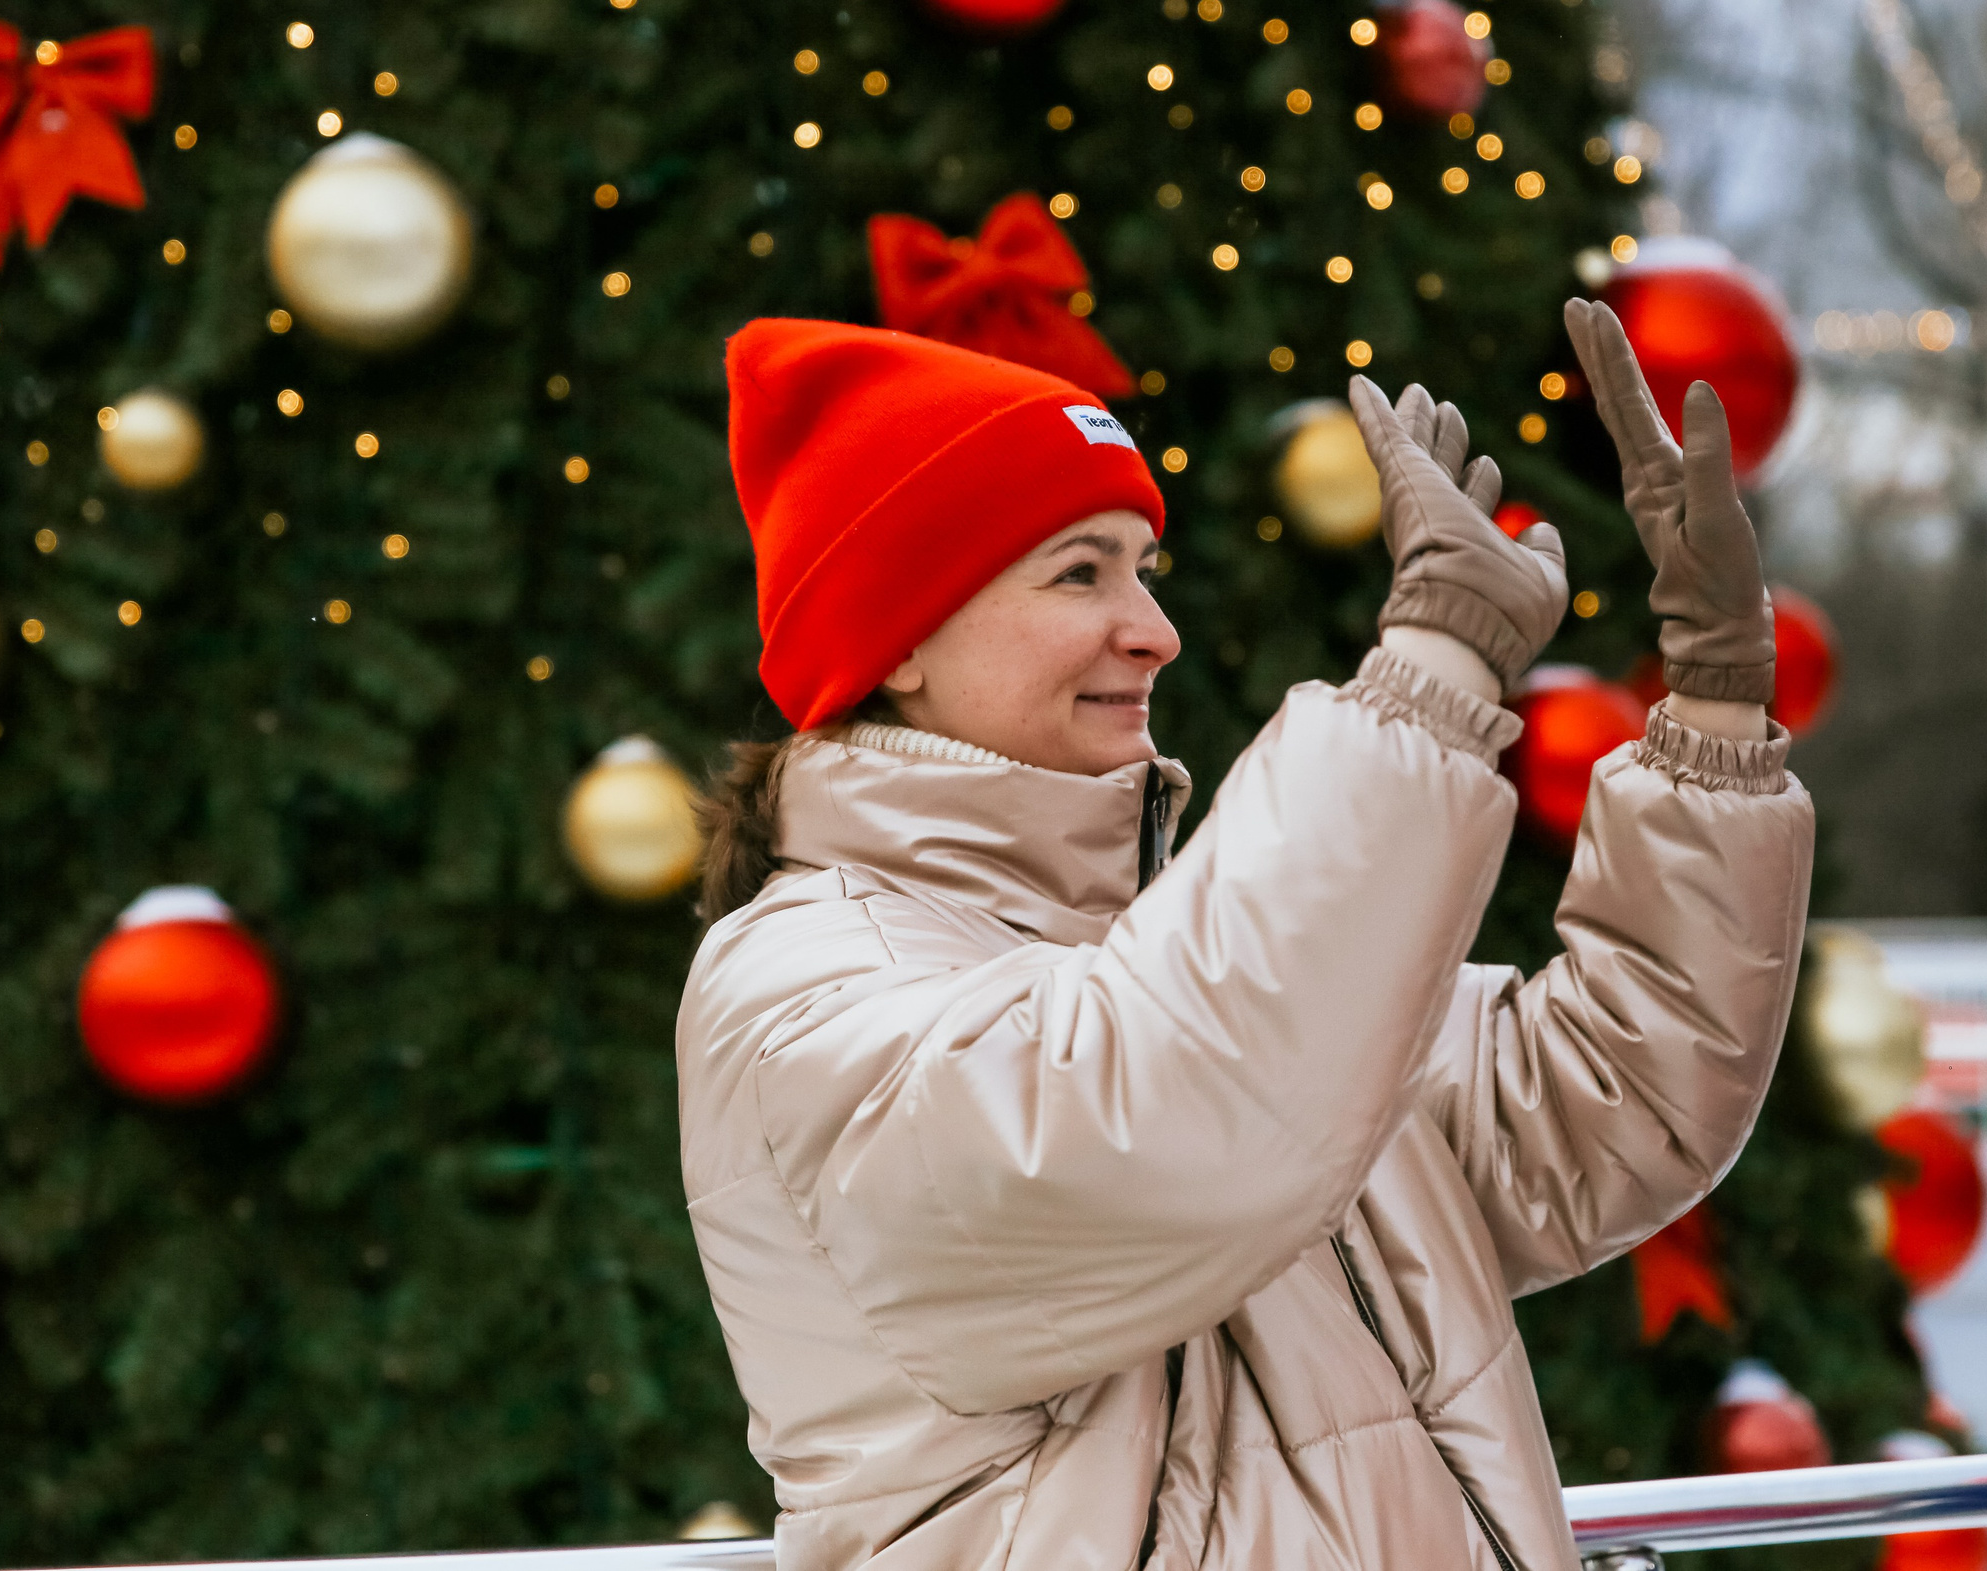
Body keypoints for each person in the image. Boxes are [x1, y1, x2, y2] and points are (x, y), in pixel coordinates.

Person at [680, 301, 1813, 1571]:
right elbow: (1161, 1130)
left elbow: (1604, 1104)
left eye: (1141, 570)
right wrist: (1429, 671)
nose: (1153, 630)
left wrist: (1710, 714)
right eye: (1078, 572)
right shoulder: (800, 982)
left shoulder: (1195, 958)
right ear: (899, 644)